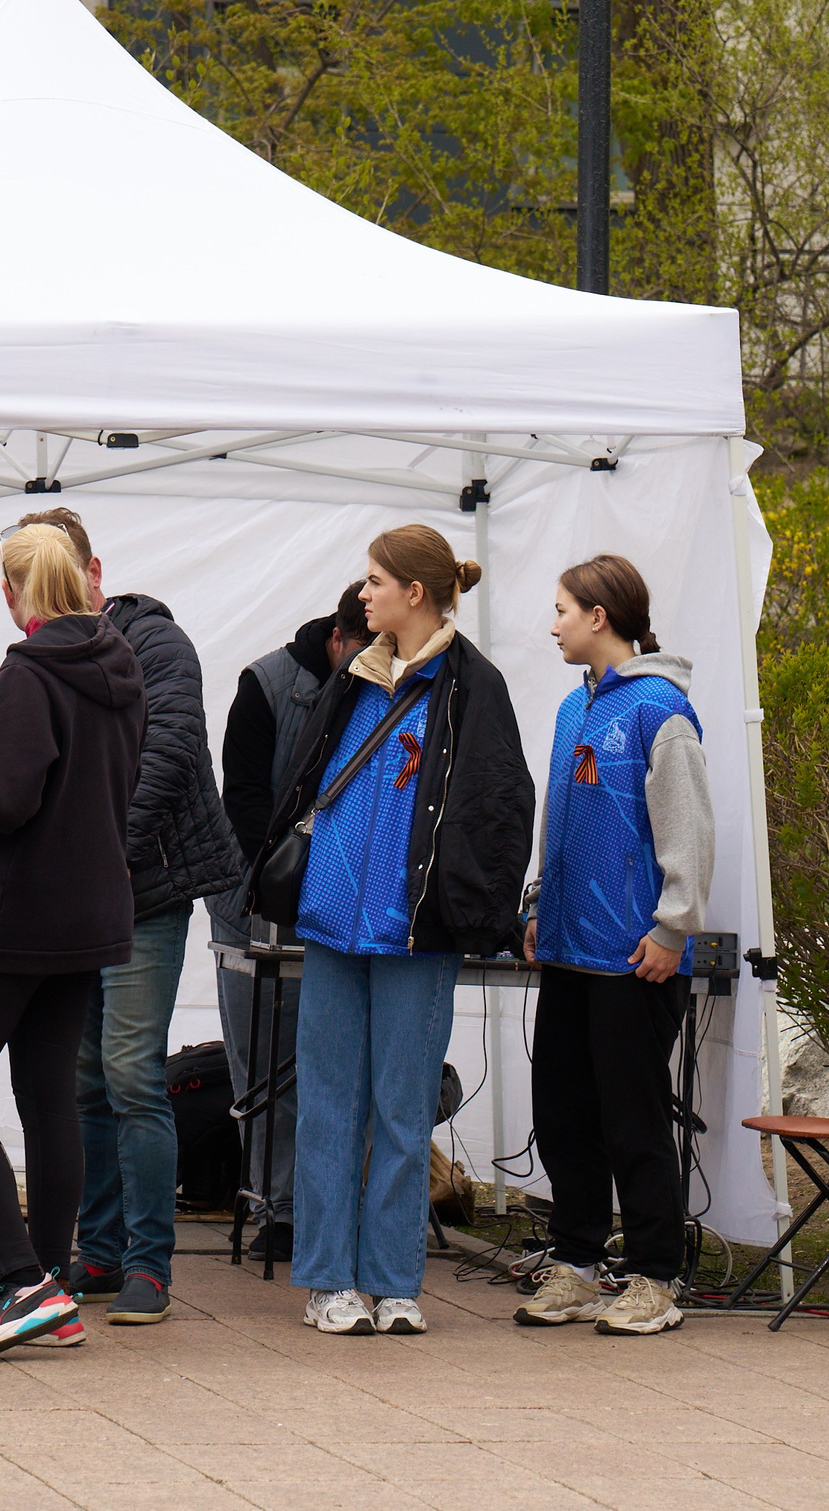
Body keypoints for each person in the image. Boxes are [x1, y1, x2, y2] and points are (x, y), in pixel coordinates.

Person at [250, 525, 534, 1338]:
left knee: (403, 1112)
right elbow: (305, 779)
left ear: (415, 592)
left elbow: (502, 805)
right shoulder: (352, 676)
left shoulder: (476, 685)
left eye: (376, 581)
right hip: (332, 921)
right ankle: (329, 1281)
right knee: (329, 1108)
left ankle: (395, 1282)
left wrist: (476, 911)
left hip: (417, 931)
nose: (363, 593)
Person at [0, 521, 145, 1360]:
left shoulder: (27, 672)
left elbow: (2, 800)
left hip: (11, 918)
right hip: (86, 915)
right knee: (49, 1102)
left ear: (14, 590)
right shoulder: (121, 665)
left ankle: (23, 1282)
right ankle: (50, 1288)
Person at [12, 508, 240, 1327]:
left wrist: (99, 855)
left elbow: (168, 754)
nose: (41, 592)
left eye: (54, 572)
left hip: (143, 894)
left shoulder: (155, 643)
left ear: (94, 570)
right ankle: (103, 1251)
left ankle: (149, 1262)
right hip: (78, 899)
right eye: (27, 580)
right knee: (85, 1077)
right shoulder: (40, 657)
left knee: (131, 1072)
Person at [511, 555, 713, 1339]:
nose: (553, 624)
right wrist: (539, 901)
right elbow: (557, 817)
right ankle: (577, 1262)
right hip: (568, 946)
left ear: (600, 616)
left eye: (563, 609)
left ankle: (656, 1276)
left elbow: (688, 826)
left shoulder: (661, 709)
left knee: (633, 1117)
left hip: (635, 955)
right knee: (563, 1112)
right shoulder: (575, 707)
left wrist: (673, 926)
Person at [209, 582, 370, 1262]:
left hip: (340, 899)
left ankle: (335, 1210)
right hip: (254, 902)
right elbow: (243, 801)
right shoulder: (265, 685)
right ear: (337, 640)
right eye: (364, 654)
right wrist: (291, 884)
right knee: (264, 1067)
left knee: (335, 1065)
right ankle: (279, 1210)